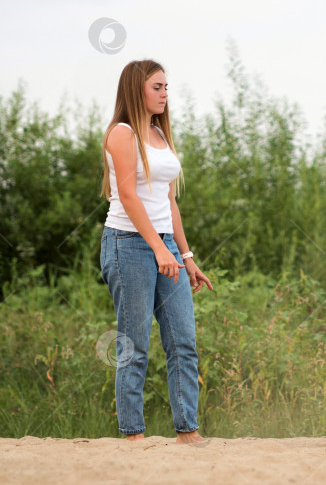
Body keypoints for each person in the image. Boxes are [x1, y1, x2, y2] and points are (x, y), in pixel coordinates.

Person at [98, 59, 213, 443]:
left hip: (164, 243)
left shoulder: (160, 137)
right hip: (127, 243)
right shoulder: (121, 134)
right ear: (137, 89)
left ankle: (188, 432)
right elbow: (128, 196)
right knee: (135, 343)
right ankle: (134, 435)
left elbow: (168, 201)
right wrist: (156, 249)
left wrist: (186, 256)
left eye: (166, 87)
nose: (165, 94)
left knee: (183, 340)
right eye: (158, 87)